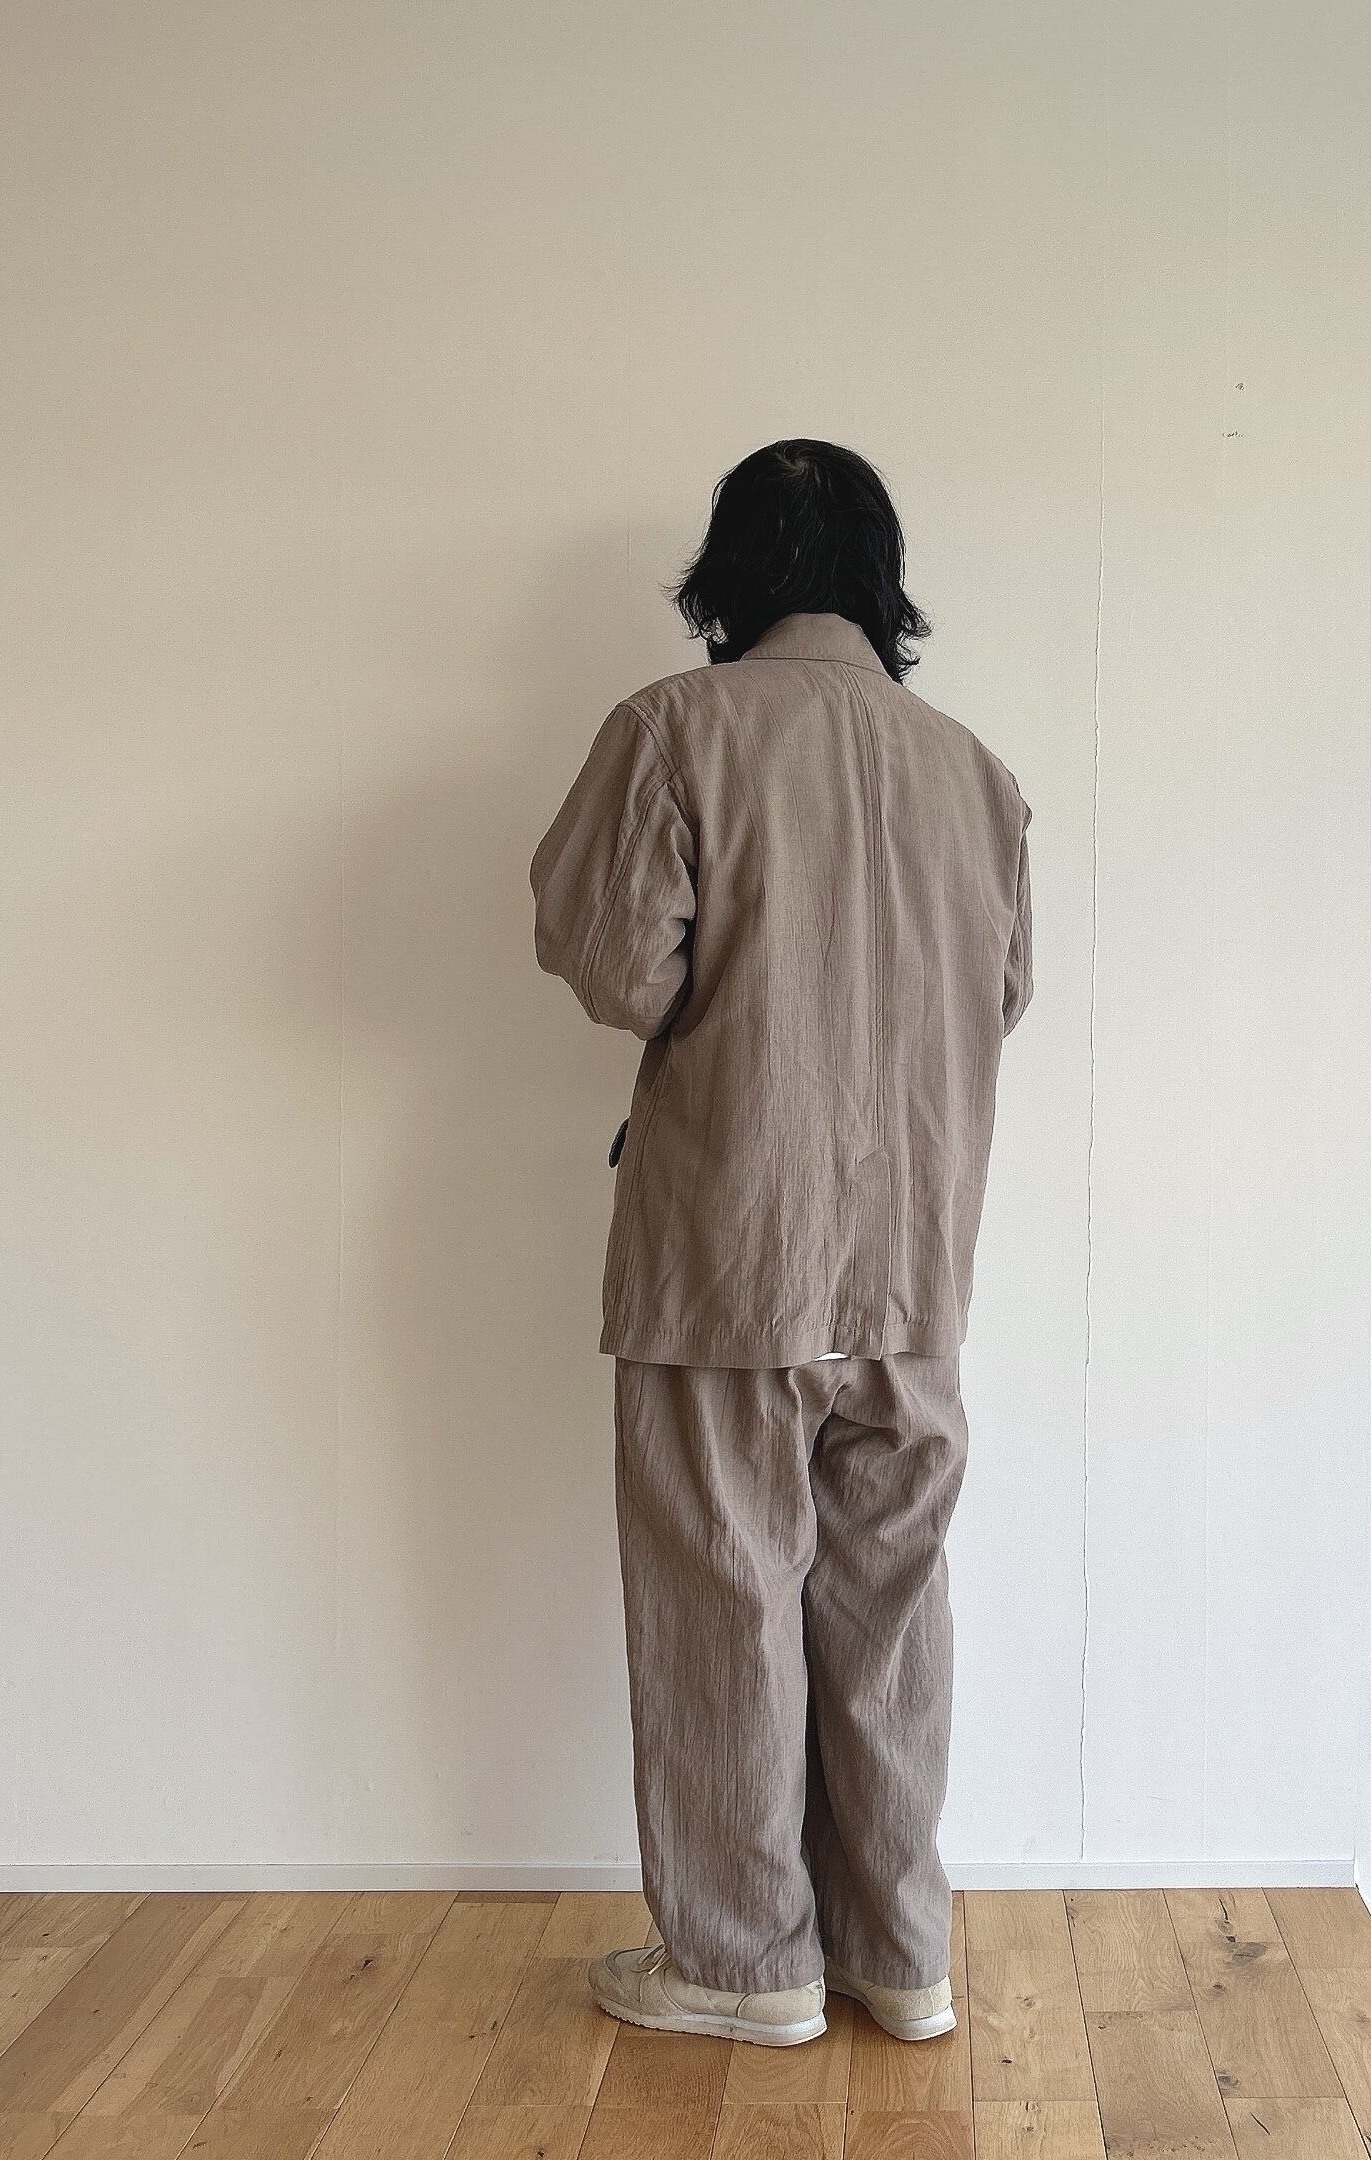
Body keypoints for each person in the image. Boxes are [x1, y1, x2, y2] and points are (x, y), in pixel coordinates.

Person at [530, 441, 1033, 2048]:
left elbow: (615, 966)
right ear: (881, 582)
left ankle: (745, 1968)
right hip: (914, 1268)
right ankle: (900, 1954)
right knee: (890, 1608)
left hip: (731, 1255)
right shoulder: (974, 774)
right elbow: (1002, 993)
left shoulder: (673, 731)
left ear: (729, 573)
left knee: (720, 1599)